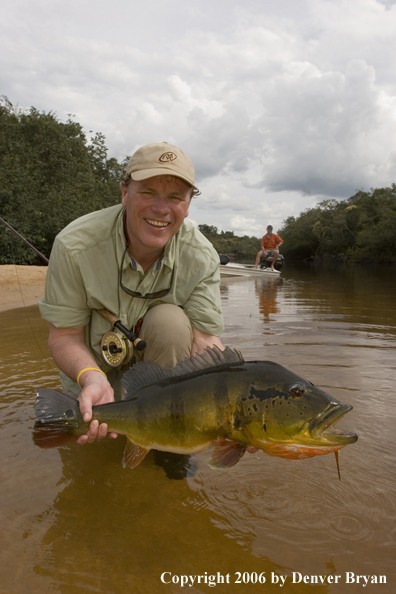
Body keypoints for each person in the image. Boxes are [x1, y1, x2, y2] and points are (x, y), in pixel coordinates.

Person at [39, 142, 224, 446]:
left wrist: (224, 412)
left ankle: (168, 445)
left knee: (171, 321)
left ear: (188, 206)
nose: (161, 209)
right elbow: (64, 338)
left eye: (175, 197)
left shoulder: (202, 256)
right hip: (91, 380)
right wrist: (91, 378)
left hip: (163, 398)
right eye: (148, 192)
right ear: (124, 193)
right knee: (86, 460)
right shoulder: (73, 246)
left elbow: (204, 342)